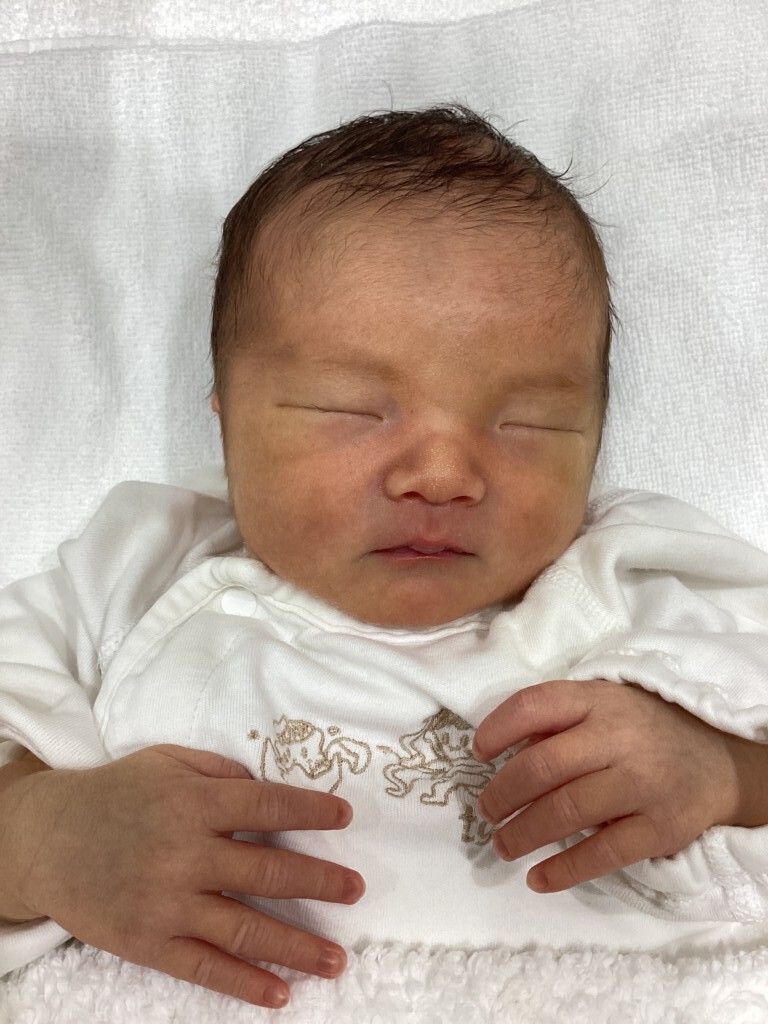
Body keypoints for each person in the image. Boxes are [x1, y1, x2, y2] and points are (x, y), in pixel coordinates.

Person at [1, 104, 768, 1012]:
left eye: (528, 423)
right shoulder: (134, 573)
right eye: (350, 410)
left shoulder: (640, 580)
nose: (443, 476)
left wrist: (722, 772)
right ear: (226, 410)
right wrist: (42, 841)